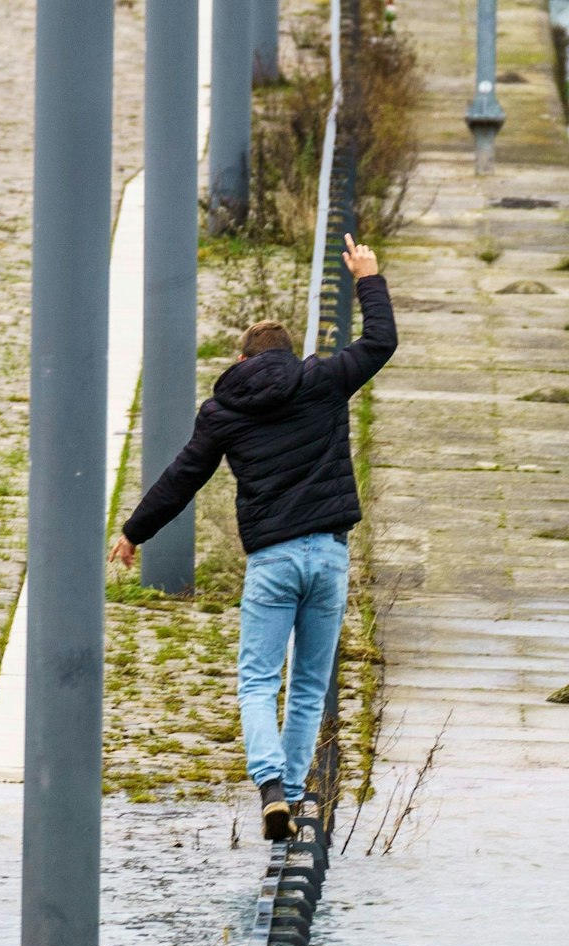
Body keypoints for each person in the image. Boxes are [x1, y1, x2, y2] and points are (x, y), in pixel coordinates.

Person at [110, 234, 395, 841]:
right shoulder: (323, 379)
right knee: (310, 685)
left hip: (273, 559)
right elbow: (380, 342)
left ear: (240, 360)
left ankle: (270, 789)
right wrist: (367, 278)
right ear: (290, 354)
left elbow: (183, 477)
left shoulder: (224, 411)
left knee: (258, 681)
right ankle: (291, 791)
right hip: (328, 554)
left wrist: (135, 531)